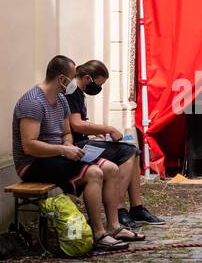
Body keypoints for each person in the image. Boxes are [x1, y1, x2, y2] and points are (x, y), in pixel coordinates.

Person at [12, 55, 142, 251]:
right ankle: (98, 233)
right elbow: (29, 146)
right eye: (73, 76)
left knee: (111, 169)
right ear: (61, 78)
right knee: (94, 173)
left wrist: (69, 146)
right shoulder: (33, 102)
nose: (75, 81)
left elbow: (66, 133)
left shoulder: (62, 101)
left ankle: (114, 226)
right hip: (33, 163)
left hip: (57, 156)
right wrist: (63, 149)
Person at [65, 59, 166, 228]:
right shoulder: (73, 92)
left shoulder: (78, 92)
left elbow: (80, 125)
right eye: (100, 83)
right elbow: (76, 124)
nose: (100, 88)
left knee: (133, 150)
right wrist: (109, 129)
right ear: (88, 78)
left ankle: (136, 206)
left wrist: (100, 133)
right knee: (127, 152)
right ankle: (119, 209)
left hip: (82, 141)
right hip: (77, 146)